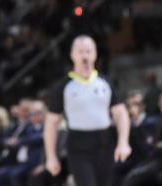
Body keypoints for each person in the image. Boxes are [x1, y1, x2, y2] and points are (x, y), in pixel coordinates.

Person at [43, 35, 131, 186]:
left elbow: (121, 114)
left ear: (95, 54)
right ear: (72, 55)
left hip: (105, 141)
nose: (85, 55)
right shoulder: (63, 87)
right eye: (80, 51)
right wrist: (51, 156)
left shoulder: (105, 82)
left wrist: (123, 142)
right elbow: (51, 124)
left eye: (88, 51)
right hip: (78, 144)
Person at [122, 90, 162, 186]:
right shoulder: (160, 123)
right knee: (130, 175)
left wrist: (159, 147)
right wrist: (158, 146)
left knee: (133, 178)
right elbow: (152, 144)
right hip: (155, 160)